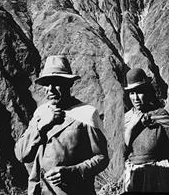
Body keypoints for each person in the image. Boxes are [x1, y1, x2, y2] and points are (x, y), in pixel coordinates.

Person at [14, 55, 109, 195]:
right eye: (47, 83)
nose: (50, 89)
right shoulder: (41, 113)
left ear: (69, 84)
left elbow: (101, 158)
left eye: (56, 82)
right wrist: (41, 127)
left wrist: (73, 172)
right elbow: (21, 155)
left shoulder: (86, 114)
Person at [123, 68, 169, 192]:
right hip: (135, 178)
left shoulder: (160, 116)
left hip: (160, 178)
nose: (135, 98)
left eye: (139, 92)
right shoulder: (126, 120)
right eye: (132, 93)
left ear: (147, 91)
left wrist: (166, 165)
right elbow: (119, 156)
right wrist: (130, 129)